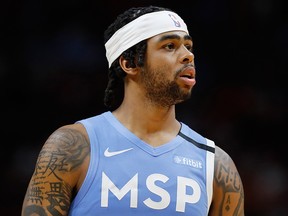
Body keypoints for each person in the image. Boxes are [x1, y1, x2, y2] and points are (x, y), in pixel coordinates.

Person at [21, 5, 245, 216]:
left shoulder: (216, 165)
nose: (188, 55)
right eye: (169, 46)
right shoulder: (74, 146)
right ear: (129, 64)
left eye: (189, 46)